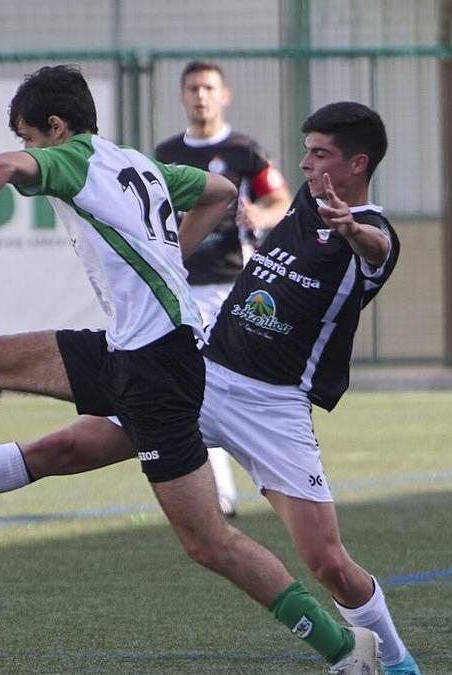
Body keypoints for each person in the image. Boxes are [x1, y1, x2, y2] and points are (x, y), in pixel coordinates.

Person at [0, 66, 380, 674]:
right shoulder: (135, 163)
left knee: (208, 542)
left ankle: (345, 651)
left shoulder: (70, 160)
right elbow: (221, 192)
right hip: (134, 349)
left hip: (158, 370)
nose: (27, 153)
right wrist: (168, 258)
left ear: (58, 128)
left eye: (30, 138)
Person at [154, 61, 293, 516]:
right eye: (193, 88)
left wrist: (264, 217)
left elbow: (281, 199)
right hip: (184, 287)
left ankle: (279, 478)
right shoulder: (167, 152)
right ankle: (219, 495)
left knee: (245, 385)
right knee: (193, 387)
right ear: (182, 97)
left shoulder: (244, 151)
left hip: (236, 287)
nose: (201, 96)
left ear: (224, 95)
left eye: (209, 88)